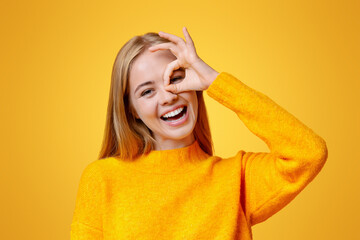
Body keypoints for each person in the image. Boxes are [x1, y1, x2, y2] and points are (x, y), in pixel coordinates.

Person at [70, 27, 328, 240]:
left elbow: (308, 153)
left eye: (175, 78)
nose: (168, 96)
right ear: (132, 110)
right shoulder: (102, 180)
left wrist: (215, 81)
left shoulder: (235, 179)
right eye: (147, 91)